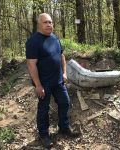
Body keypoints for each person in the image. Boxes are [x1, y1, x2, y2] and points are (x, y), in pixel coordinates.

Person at [26, 13, 79, 148]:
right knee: (44, 109)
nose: (49, 25)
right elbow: (31, 65)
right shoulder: (33, 41)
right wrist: (38, 85)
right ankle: (44, 135)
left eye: (50, 22)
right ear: (39, 24)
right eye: (45, 22)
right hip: (44, 84)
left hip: (58, 81)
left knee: (65, 102)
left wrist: (65, 73)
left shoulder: (55, 38)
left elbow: (62, 57)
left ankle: (64, 127)